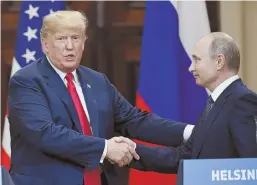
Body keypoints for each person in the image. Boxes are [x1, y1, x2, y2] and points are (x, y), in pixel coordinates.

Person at [7, 10, 193, 185]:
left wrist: (189, 132)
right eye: (61, 39)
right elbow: (45, 134)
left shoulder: (97, 81)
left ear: (84, 41)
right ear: (45, 45)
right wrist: (105, 148)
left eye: (76, 38)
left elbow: (134, 120)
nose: (69, 46)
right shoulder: (27, 81)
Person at [131, 32, 257, 173]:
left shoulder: (242, 100)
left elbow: (251, 165)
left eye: (197, 60)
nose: (191, 68)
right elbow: (184, 156)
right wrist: (132, 152)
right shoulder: (215, 103)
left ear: (219, 62)